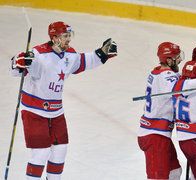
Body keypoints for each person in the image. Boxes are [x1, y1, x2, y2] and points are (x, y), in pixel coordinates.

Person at [10, 21, 117, 180]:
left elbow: (85, 61)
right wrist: (18, 62)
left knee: (60, 150)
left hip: (56, 111)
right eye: (65, 36)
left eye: (69, 36)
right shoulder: (38, 53)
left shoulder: (70, 54)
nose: (68, 39)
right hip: (34, 111)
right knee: (41, 153)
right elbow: (17, 70)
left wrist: (102, 53)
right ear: (54, 38)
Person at [137, 42, 184, 180]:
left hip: (159, 134)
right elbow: (180, 90)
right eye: (177, 57)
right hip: (155, 136)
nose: (180, 60)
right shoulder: (166, 76)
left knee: (175, 172)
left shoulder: (158, 72)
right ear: (169, 60)